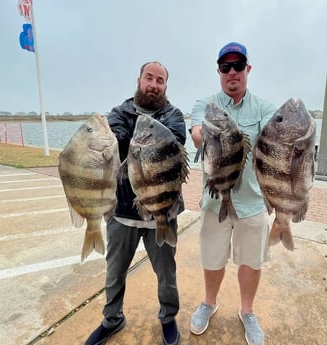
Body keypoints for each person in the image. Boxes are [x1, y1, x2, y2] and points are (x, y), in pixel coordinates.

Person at [85, 61, 186, 345]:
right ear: (139, 80)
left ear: (166, 86)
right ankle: (112, 319)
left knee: (167, 274)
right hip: (122, 212)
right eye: (149, 78)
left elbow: (173, 147)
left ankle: (168, 317)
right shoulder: (119, 113)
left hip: (163, 211)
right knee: (114, 272)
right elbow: (116, 144)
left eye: (160, 80)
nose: (154, 84)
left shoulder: (175, 116)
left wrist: (144, 143)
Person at [189, 42, 276, 345]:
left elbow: (271, 138)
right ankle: (209, 303)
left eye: (238, 65)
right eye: (225, 67)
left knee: (251, 262)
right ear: (219, 72)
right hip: (215, 201)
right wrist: (207, 134)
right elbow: (197, 133)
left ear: (248, 69)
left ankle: (247, 312)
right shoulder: (206, 104)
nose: (232, 72)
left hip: (252, 202)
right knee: (212, 259)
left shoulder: (264, 107)